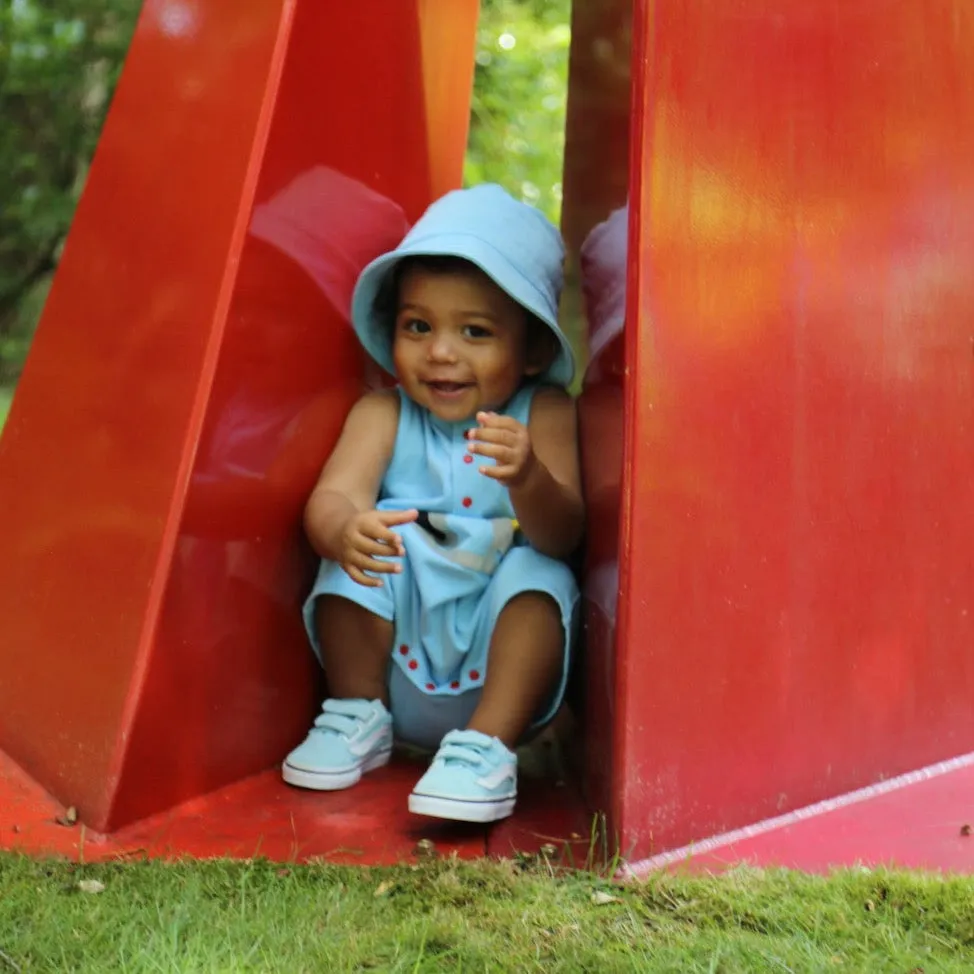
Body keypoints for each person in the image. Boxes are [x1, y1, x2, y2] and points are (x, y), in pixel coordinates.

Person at [281, 184, 583, 823]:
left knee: (541, 575)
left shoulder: (543, 412)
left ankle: (486, 751)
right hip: (394, 663)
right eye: (418, 326)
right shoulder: (384, 412)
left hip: (496, 676)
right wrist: (344, 529)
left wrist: (528, 474)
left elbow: (564, 534)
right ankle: (354, 716)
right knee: (366, 546)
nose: (441, 351)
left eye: (475, 331)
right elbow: (333, 497)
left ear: (531, 349)